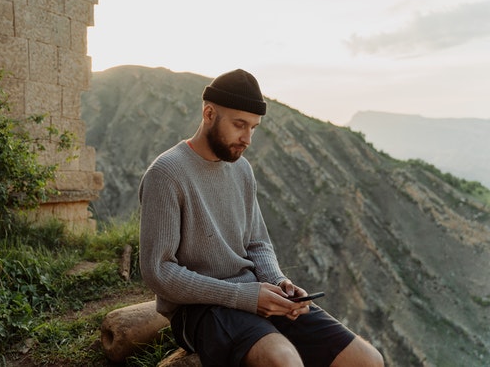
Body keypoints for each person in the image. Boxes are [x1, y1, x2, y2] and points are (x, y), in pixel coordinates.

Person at [138, 69, 384, 367]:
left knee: (367, 359)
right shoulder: (166, 174)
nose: (247, 139)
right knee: (283, 360)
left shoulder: (242, 170)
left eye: (254, 128)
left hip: (254, 292)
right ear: (209, 113)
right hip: (198, 310)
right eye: (239, 125)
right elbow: (159, 272)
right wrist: (244, 297)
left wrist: (279, 283)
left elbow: (257, 243)